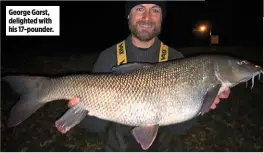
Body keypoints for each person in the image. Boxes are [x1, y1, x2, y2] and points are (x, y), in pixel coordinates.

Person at [67, 1, 231, 151]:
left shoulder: (176, 58)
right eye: (139, 9)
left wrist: (201, 103)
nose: (147, 17)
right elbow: (96, 128)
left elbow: (178, 129)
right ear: (128, 16)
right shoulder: (109, 57)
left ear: (161, 18)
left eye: (155, 10)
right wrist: (83, 107)